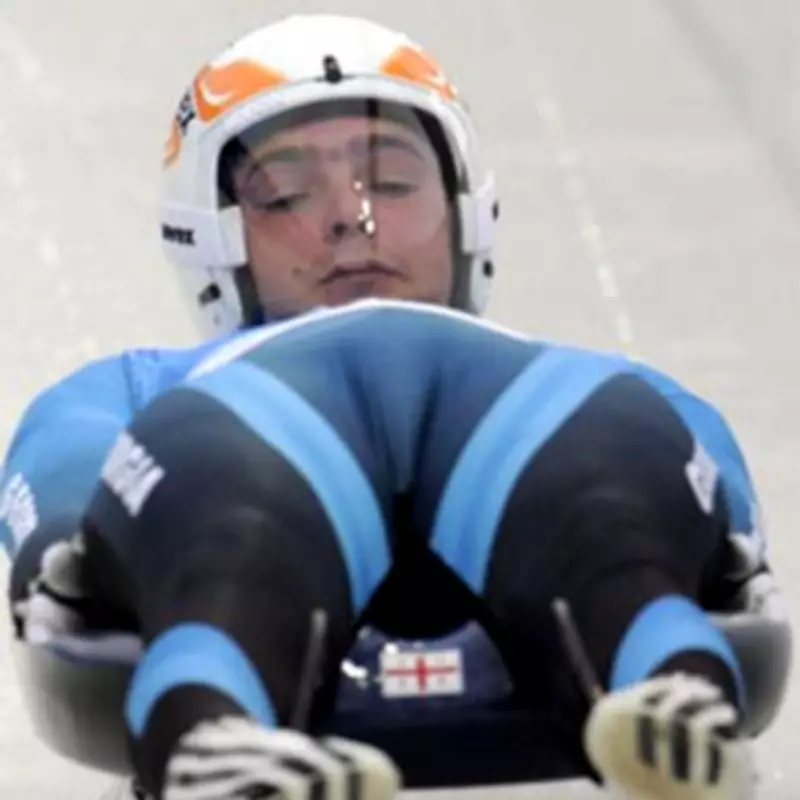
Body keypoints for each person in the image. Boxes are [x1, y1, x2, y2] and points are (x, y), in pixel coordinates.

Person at [0, 13, 787, 800]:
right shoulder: (151, 387)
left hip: (444, 415)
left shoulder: (577, 383)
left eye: (393, 180)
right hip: (302, 418)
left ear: (461, 209)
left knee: (597, 497)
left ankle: (209, 728)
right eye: (287, 192)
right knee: (236, 513)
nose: (349, 215)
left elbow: (700, 451)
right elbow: (60, 456)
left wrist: (86, 550)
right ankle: (678, 677)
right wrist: (83, 535)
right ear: (213, 242)